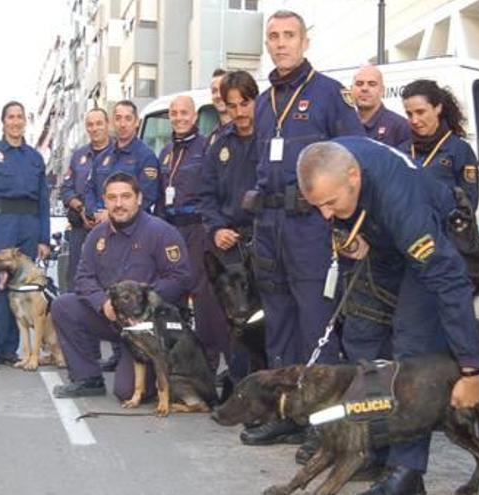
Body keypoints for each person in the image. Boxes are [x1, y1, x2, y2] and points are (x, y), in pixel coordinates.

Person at [298, 137, 479, 495]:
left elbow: (451, 283)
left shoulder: (404, 207)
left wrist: (471, 368)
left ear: (353, 176)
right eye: (317, 206)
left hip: (432, 249)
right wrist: (344, 230)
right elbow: (332, 203)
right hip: (382, 244)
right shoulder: (328, 159)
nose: (324, 213)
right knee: (361, 337)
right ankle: (370, 443)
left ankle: (407, 470)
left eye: (331, 204)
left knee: (411, 349)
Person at [243, 9, 365, 446]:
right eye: (273, 36)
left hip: (312, 225)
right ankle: (286, 414)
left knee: (316, 324)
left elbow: (355, 160)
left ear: (305, 41)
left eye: (289, 35)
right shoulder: (262, 102)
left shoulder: (331, 95)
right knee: (277, 324)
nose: (280, 43)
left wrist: (347, 227)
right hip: (270, 224)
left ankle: (323, 425)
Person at [50, 172, 192, 400]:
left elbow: (181, 278)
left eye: (125, 196)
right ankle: (87, 378)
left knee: (127, 393)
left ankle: (162, 378)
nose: (119, 204)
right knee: (63, 306)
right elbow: (83, 279)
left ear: (139, 198)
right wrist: (102, 303)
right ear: (104, 201)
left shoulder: (161, 232)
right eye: (112, 198)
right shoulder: (97, 235)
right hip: (114, 317)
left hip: (149, 326)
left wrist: (143, 303)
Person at [0, 100, 51, 371]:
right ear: (3, 121)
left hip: (29, 225)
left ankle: (9, 349)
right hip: (0, 223)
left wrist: (44, 238)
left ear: (25, 121)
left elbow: (44, 201)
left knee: (23, 288)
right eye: (11, 117)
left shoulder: (35, 158)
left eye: (20, 117)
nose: (15, 122)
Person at [155, 95, 231, 374]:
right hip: (171, 230)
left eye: (184, 112)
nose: (178, 117)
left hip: (199, 228)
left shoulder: (207, 147)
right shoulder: (165, 153)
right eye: (174, 113)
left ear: (195, 116)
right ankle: (174, 363)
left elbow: (216, 189)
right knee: (171, 294)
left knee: (203, 298)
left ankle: (209, 366)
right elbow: (160, 199)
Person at [197, 70, 260, 382]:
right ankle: (239, 384)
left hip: (266, 243)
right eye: (232, 106)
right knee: (236, 322)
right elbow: (205, 196)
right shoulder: (219, 144)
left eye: (245, 104)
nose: (239, 113)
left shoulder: (273, 138)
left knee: (269, 320)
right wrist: (216, 229)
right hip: (231, 245)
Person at [399, 79, 479, 209]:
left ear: (438, 108)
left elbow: (469, 202)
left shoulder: (459, 150)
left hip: (444, 227)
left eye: (420, 112)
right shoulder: (402, 151)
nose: (414, 120)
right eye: (409, 114)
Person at [60, 108, 113, 292]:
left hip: (110, 228)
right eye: (90, 124)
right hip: (81, 228)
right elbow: (66, 189)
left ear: (108, 124)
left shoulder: (118, 154)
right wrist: (81, 209)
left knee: (106, 279)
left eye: (99, 123)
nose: (94, 128)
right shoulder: (78, 156)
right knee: (77, 278)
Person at [84, 101, 160, 218]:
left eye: (128, 119)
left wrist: (111, 215)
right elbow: (89, 189)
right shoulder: (102, 158)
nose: (122, 124)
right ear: (112, 122)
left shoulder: (146, 156)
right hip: (102, 226)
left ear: (136, 123)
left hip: (133, 228)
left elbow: (147, 196)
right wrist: (95, 213)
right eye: (118, 118)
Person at [351, 65, 409, 146]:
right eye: (359, 84)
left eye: (372, 84)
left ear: (382, 90)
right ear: (351, 89)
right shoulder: (344, 125)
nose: (364, 88)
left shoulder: (400, 127)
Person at [206, 68, 233, 148]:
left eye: (222, 90)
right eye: (214, 91)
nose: (218, 95)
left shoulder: (244, 131)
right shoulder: (212, 137)